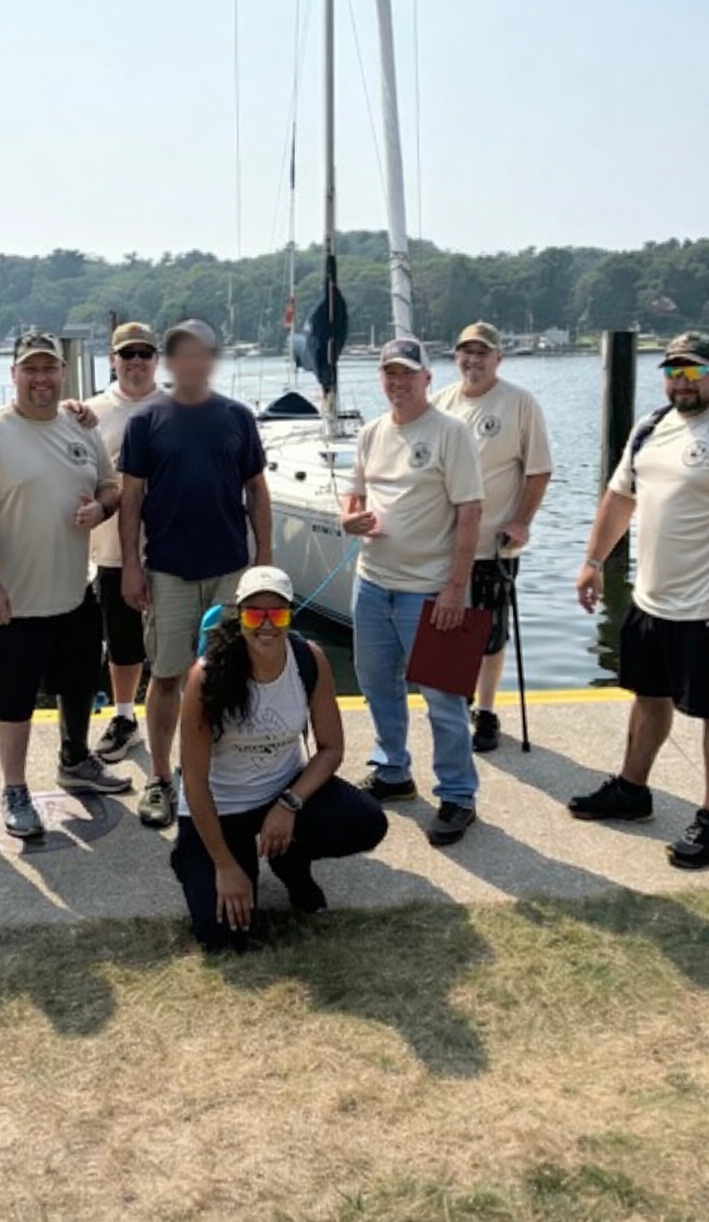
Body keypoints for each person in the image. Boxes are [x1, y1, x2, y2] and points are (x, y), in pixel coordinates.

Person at [571, 331, 709, 868]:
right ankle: (632, 789)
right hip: (651, 603)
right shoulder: (651, 428)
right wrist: (593, 561)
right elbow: (620, 498)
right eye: (672, 371)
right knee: (647, 698)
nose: (682, 381)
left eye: (693, 370)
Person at [0, 329, 132, 841]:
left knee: (76, 687)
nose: (41, 378)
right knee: (13, 702)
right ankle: (14, 788)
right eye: (30, 368)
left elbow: (110, 484)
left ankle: (75, 759)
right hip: (13, 601)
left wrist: (102, 506)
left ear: (62, 374)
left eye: (49, 368)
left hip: (73, 592)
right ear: (14, 375)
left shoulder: (79, 426)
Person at [172, 565, 388, 950]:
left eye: (279, 613)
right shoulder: (204, 678)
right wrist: (224, 864)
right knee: (225, 939)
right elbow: (193, 781)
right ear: (240, 617)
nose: (267, 624)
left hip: (281, 793)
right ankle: (207, 861)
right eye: (255, 614)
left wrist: (289, 804)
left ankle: (291, 864)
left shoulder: (309, 659)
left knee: (367, 821)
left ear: (291, 616)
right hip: (219, 810)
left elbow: (331, 748)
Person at [120, 318, 273, 830]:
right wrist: (131, 567)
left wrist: (264, 559)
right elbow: (132, 499)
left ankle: (218, 773)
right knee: (166, 676)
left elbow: (257, 488)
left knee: (229, 674)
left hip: (230, 567)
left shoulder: (237, 417)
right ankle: (161, 778)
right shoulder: (146, 420)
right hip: (167, 571)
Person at [342, 336, 485, 847]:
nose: (397, 383)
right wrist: (349, 517)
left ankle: (458, 794)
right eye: (389, 374)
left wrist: (454, 589)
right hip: (373, 582)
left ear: (427, 378)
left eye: (407, 373)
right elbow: (355, 489)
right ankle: (392, 771)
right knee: (376, 684)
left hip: (430, 591)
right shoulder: (372, 432)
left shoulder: (452, 433)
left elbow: (470, 513)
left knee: (444, 699)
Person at [433, 321, 553, 752]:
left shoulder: (520, 403)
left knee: (488, 631)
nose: (473, 360)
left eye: (482, 352)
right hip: (444, 544)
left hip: (494, 544)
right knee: (446, 629)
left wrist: (521, 520)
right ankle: (453, 705)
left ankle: (485, 709)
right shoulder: (440, 404)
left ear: (498, 358)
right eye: (466, 351)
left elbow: (538, 469)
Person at [84, 322, 166, 764]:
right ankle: (124, 716)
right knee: (122, 641)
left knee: (175, 642)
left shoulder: (178, 406)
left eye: (145, 353)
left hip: (172, 545)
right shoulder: (88, 412)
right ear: (112, 360)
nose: (136, 361)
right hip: (114, 547)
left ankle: (187, 718)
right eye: (127, 354)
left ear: (157, 359)